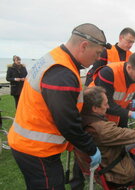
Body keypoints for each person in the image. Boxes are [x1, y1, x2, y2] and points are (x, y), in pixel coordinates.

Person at [7, 23, 110, 189]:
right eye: (97, 53)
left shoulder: (55, 58)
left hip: (27, 144)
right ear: (84, 46)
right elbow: (67, 122)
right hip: (37, 150)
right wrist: (90, 148)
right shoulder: (62, 73)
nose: (98, 58)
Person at [91, 52, 135, 127]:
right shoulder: (109, 73)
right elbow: (107, 104)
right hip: (99, 114)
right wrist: (130, 113)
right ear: (129, 67)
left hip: (120, 113)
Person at [85, 27, 135, 92]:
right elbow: (92, 73)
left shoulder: (132, 57)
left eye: (133, 42)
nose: (131, 45)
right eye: (129, 41)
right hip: (103, 93)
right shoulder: (106, 52)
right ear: (121, 38)